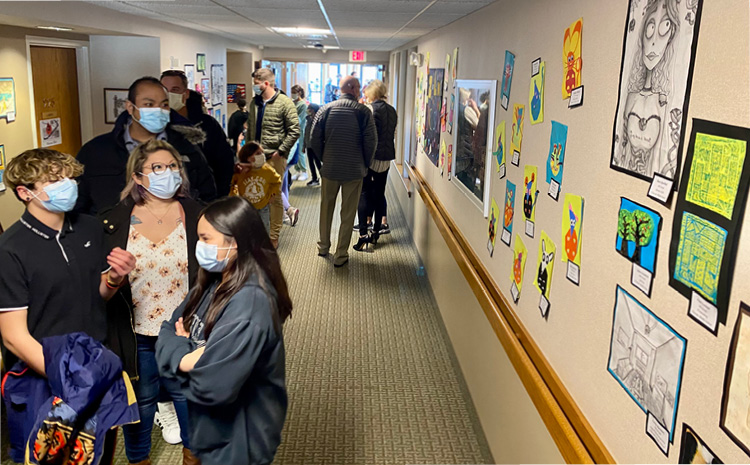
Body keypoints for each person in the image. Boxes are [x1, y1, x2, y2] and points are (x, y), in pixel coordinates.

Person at [0, 149, 136, 464]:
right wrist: (71, 381)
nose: (67, 184)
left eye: (68, 177)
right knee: (51, 459)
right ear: (25, 192)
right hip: (44, 375)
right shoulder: (11, 249)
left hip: (96, 364)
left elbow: (97, 296)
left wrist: (115, 278)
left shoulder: (89, 227)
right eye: (55, 179)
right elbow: (12, 336)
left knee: (98, 454)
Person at [155, 196, 291, 465]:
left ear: (236, 241)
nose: (199, 246)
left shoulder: (250, 303)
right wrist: (190, 358)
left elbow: (213, 386)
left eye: (207, 239)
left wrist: (179, 356)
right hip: (211, 429)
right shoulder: (213, 278)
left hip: (240, 440)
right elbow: (168, 327)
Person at [99, 139, 203, 464]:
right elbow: (100, 286)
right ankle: (139, 459)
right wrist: (115, 277)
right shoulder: (113, 222)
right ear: (139, 177)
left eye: (173, 167)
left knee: (189, 400)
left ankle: (193, 456)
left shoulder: (198, 214)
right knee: (141, 403)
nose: (167, 173)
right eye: (157, 168)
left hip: (185, 332)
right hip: (137, 334)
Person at [76, 76, 217, 215]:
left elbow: (208, 195)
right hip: (111, 232)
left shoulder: (186, 147)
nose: (159, 110)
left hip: (176, 230)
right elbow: (80, 204)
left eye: (164, 105)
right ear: (130, 107)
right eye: (149, 104)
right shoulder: (95, 151)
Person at [310, 76, 377, 267]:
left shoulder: (325, 109)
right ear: (353, 88)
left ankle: (323, 247)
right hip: (354, 170)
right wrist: (364, 163)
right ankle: (341, 255)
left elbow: (314, 138)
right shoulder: (363, 112)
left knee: (326, 208)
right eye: (358, 87)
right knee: (348, 214)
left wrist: (325, 157)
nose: (360, 90)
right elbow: (371, 142)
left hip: (330, 168)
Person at [246, 68, 300, 248]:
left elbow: (294, 130)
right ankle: (257, 231)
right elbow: (251, 130)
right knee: (255, 193)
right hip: (256, 157)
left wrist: (281, 151)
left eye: (255, 83)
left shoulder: (284, 103)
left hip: (275, 157)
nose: (253, 87)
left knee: (275, 197)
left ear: (266, 83)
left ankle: (274, 235)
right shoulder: (254, 103)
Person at [162, 71, 236, 197]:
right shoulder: (158, 125)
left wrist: (219, 196)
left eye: (175, 90)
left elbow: (225, 162)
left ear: (185, 94)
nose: (169, 95)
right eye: (164, 90)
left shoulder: (207, 124)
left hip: (206, 196)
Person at [353, 80, 397, 251]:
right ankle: (376, 233)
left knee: (363, 193)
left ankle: (363, 233)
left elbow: (364, 134)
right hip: (386, 158)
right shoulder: (392, 110)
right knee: (379, 194)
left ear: (372, 94)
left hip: (371, 157)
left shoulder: (369, 109)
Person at [231, 141, 282, 233]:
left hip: (263, 206)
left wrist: (272, 194)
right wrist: (233, 196)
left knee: (264, 230)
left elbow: (277, 181)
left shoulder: (266, 169)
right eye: (258, 153)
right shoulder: (241, 171)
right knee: (248, 231)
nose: (262, 155)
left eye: (262, 152)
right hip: (246, 207)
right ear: (248, 157)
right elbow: (232, 183)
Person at [290, 84, 309, 182]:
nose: (293, 95)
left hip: (300, 130)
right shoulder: (292, 103)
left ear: (299, 93)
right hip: (292, 130)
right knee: (295, 151)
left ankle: (304, 171)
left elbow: (301, 120)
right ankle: (298, 171)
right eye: (292, 93)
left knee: (301, 151)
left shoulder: (303, 104)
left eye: (294, 93)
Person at [303, 103, 322, 187]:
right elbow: (306, 133)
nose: (308, 110)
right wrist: (304, 146)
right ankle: (314, 178)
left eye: (309, 109)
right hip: (309, 145)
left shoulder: (319, 120)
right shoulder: (308, 119)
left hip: (316, 145)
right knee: (311, 163)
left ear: (313, 110)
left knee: (318, 163)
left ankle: (323, 178)